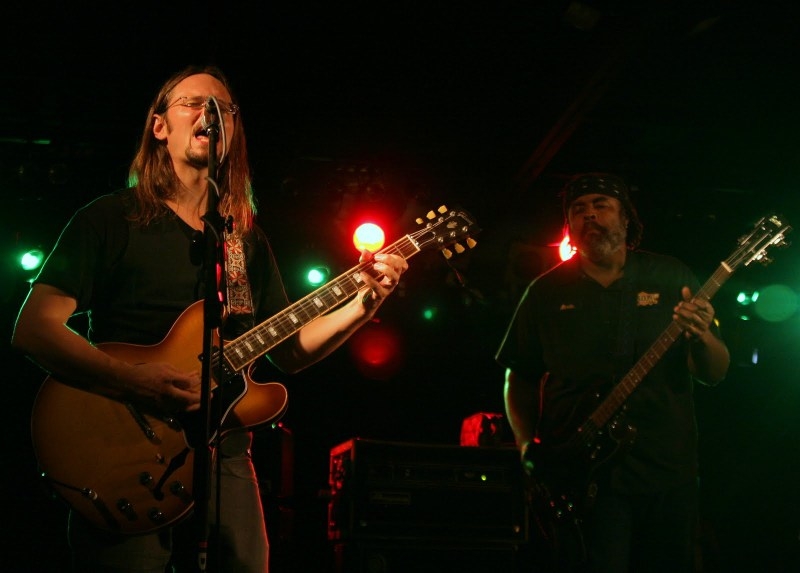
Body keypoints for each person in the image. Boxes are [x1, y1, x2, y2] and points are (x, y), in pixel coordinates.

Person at [11, 64, 408, 573]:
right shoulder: (109, 219)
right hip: (122, 448)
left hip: (226, 451)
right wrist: (137, 381)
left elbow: (289, 349)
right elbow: (33, 328)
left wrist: (363, 303)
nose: (209, 114)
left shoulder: (244, 239)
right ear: (160, 127)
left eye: (223, 109)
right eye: (193, 103)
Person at [495, 172, 730, 573]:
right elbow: (519, 377)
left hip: (665, 468)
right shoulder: (546, 292)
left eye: (601, 205)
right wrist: (524, 445)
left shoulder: (670, 275)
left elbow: (715, 372)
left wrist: (703, 336)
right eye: (578, 209)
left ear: (625, 219)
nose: (589, 215)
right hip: (584, 472)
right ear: (568, 225)